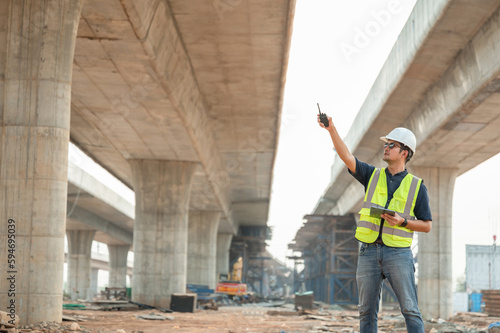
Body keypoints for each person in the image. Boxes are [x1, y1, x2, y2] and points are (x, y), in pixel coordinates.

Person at [318, 114, 432, 333]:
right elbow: (347, 157)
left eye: (391, 145)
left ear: (404, 152)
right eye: (386, 144)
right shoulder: (372, 175)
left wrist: (402, 221)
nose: (386, 148)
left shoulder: (417, 187)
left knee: (410, 309)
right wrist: (331, 129)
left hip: (398, 253)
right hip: (368, 252)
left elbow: (426, 225)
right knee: (366, 312)